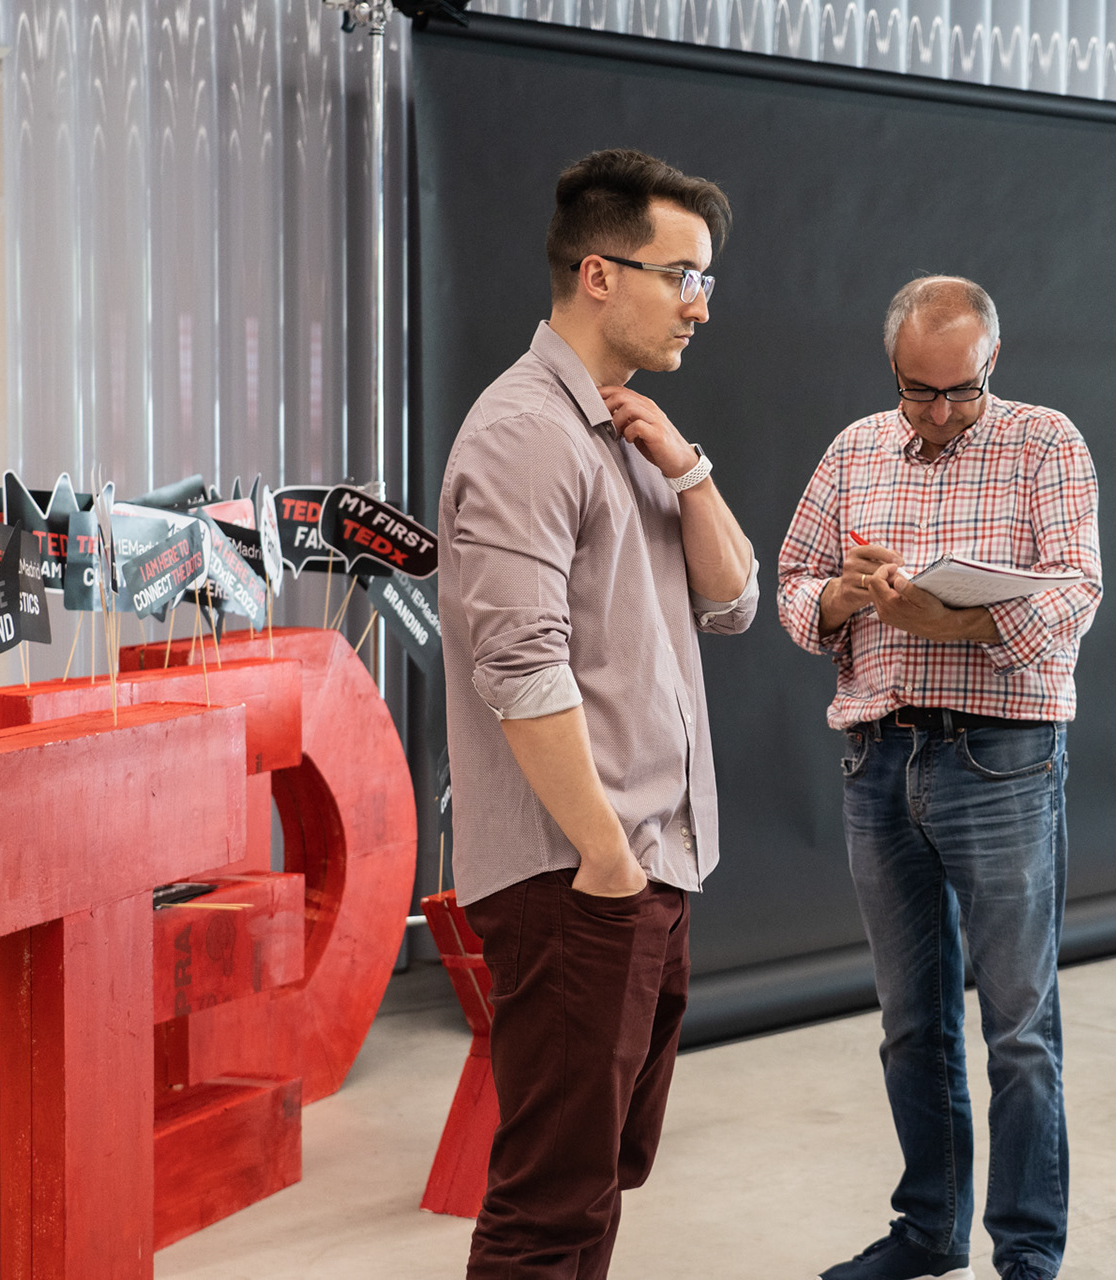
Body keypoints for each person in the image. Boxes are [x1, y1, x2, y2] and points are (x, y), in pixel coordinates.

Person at [436, 148, 759, 1280]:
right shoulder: (524, 433)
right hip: (577, 874)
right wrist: (607, 857)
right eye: (684, 275)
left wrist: (691, 469)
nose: (700, 304)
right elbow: (518, 665)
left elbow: (735, 601)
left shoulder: (624, 430)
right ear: (600, 273)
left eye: (706, 279)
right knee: (549, 1202)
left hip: (644, 863)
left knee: (597, 1175)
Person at [778, 276, 1103, 1280]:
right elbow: (791, 585)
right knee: (911, 1021)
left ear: (991, 362)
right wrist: (845, 597)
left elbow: (1076, 592)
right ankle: (928, 1229)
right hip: (879, 756)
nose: (940, 411)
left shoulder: (1044, 442)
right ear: (894, 370)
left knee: (1020, 1027)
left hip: (1001, 757)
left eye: (961, 389)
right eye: (919, 390)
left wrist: (956, 620)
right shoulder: (854, 449)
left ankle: (1028, 1251)